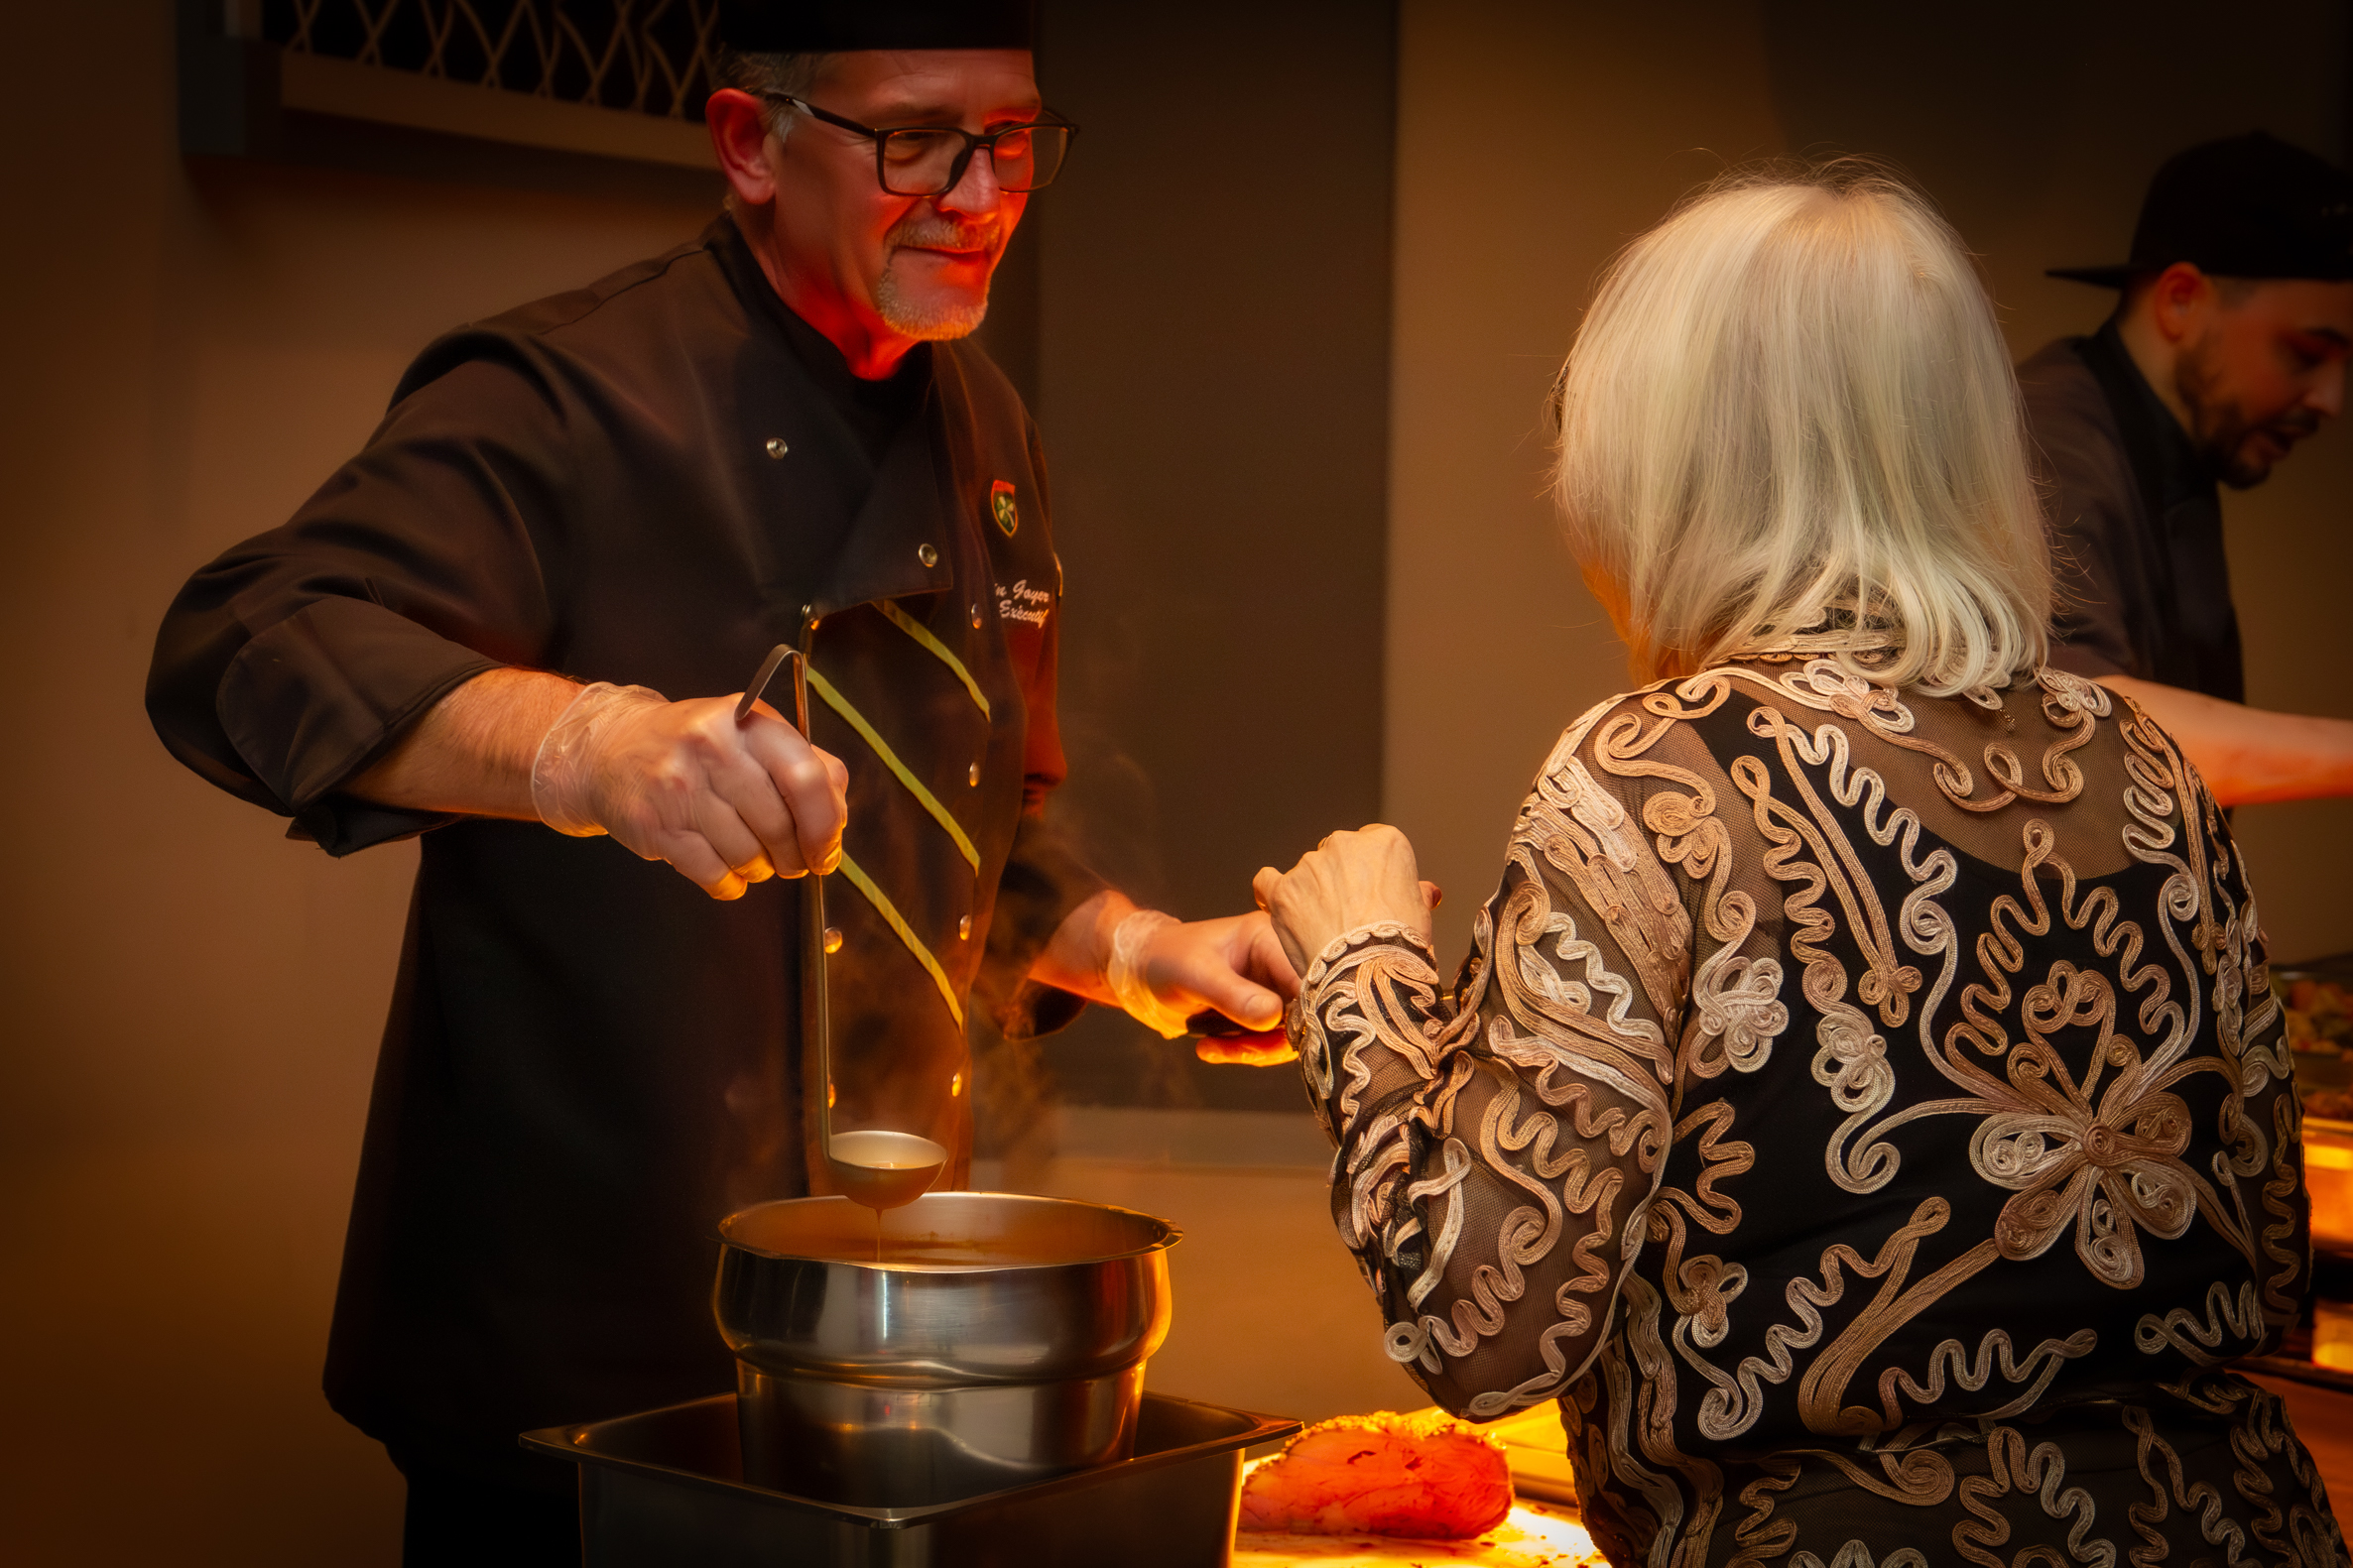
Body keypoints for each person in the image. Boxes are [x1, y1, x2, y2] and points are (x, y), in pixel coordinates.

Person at [145, 2, 1291, 1560]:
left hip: (886, 1356)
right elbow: (243, 637)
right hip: (577, 1388)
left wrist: (1143, 951)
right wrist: (582, 747)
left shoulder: (985, 423)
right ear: (751, 143)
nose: (980, 195)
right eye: (915, 140)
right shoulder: (566, 394)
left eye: (1013, 140)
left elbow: (973, 837)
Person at [1256, 168, 2340, 1565]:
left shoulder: (1655, 776)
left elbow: (1483, 1326)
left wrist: (1361, 971)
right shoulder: (2145, 768)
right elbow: (2266, 1264)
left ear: (1661, 464)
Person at [2023, 131, 2353, 804]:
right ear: (2179, 299)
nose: (2331, 400)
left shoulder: (2173, 440)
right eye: (2305, 352)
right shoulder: (2053, 438)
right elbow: (2076, 719)